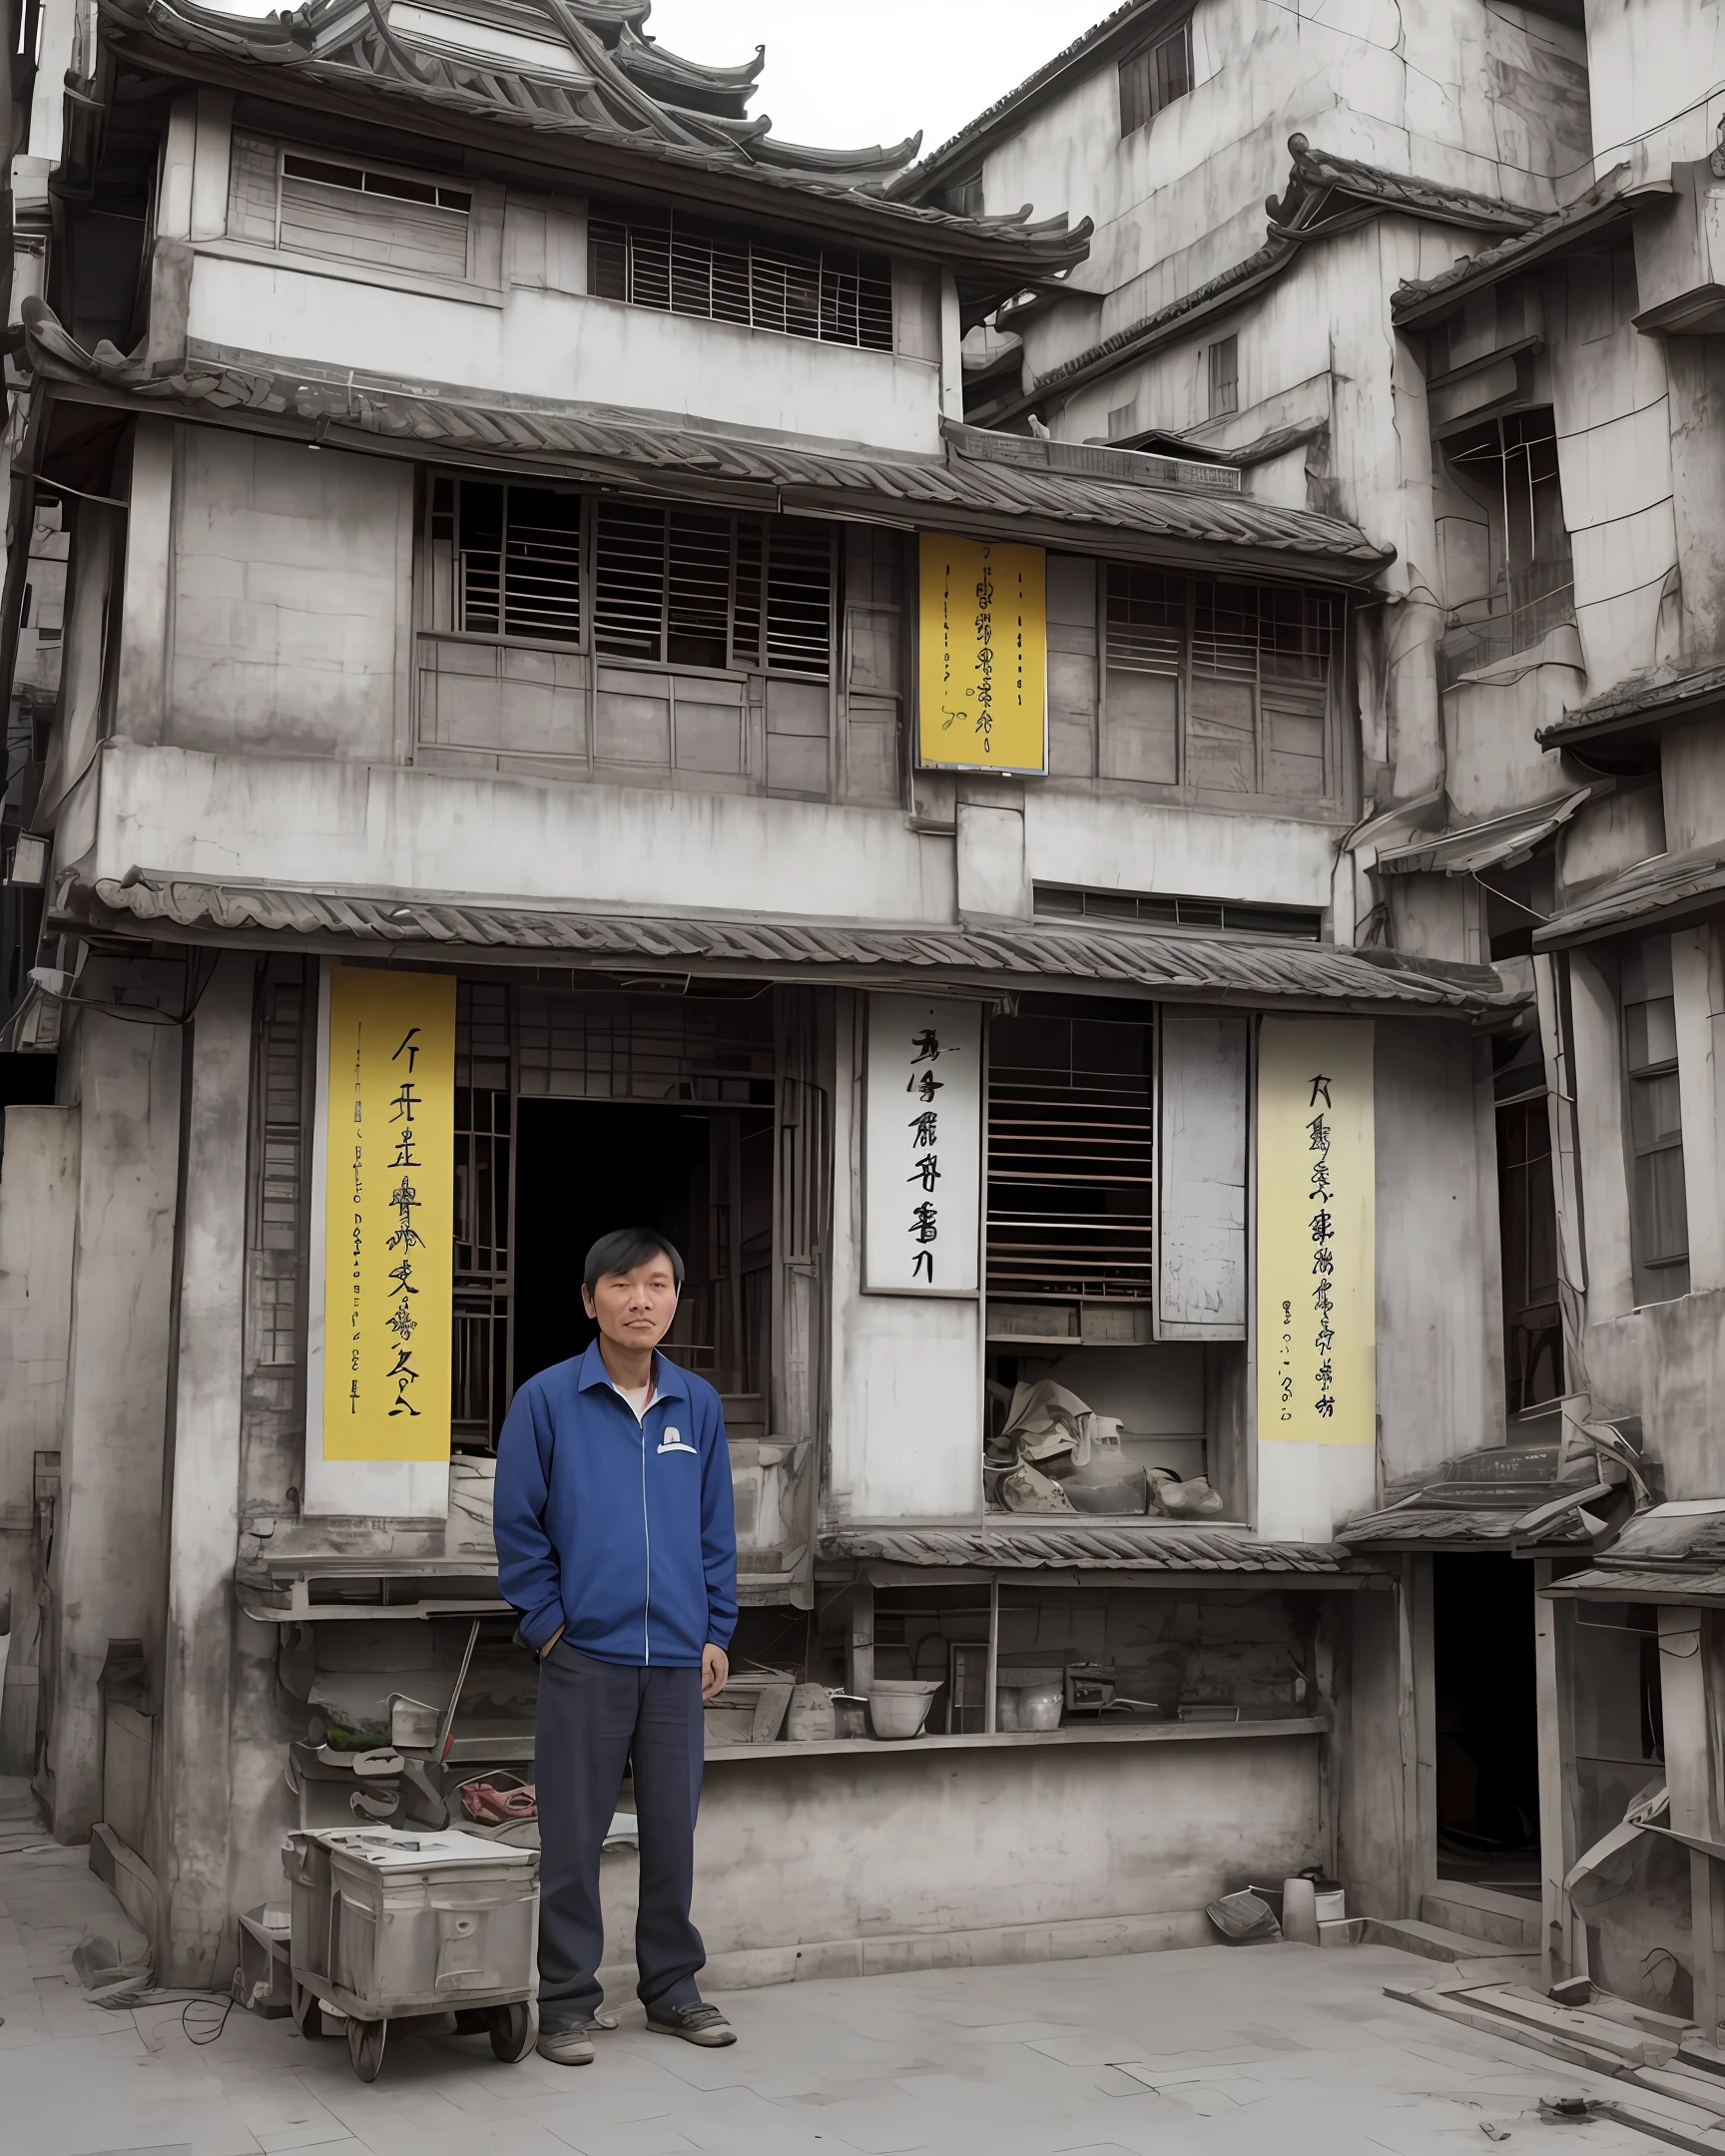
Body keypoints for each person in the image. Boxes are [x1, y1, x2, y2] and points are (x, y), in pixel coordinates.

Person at [494, 1227, 739, 2064]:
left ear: (676, 1299)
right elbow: (518, 1527)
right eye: (625, 1284)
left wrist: (716, 1630)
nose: (643, 1300)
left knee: (673, 1833)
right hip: (584, 1657)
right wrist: (547, 1626)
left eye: (660, 1284)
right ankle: (565, 2001)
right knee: (572, 1835)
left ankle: (672, 1989)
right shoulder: (547, 1400)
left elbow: (715, 1531)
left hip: (675, 1661)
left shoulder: (696, 1405)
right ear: (591, 1298)